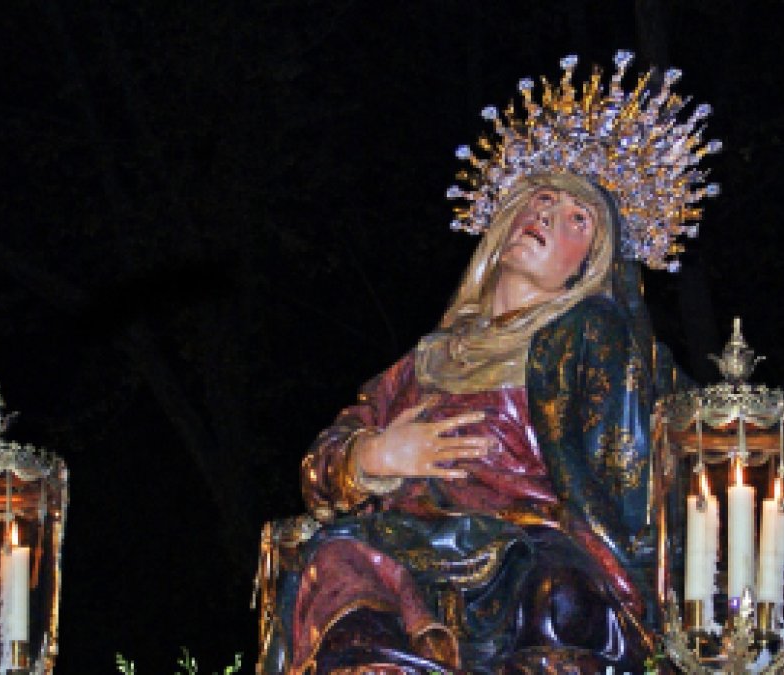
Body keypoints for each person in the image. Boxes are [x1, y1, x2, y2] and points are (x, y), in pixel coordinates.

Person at [254, 52, 721, 674]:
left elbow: (650, 444)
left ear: (589, 265)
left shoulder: (589, 348)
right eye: (540, 201)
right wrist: (374, 456)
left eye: (576, 218)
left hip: (528, 554)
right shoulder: (426, 363)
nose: (545, 217)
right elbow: (321, 465)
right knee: (333, 562)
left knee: (561, 595)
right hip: (406, 552)